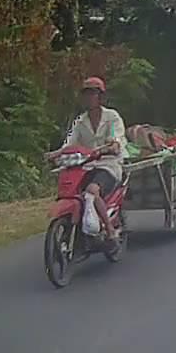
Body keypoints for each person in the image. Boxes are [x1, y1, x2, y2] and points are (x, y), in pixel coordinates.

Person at [47, 77, 127, 242]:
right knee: (74, 192)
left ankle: (110, 231)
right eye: (86, 94)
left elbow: (115, 137)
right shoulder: (80, 121)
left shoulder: (112, 117)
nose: (89, 98)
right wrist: (55, 154)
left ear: (101, 97)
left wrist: (113, 145)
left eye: (93, 94)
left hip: (108, 165)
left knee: (92, 190)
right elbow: (69, 143)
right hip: (85, 167)